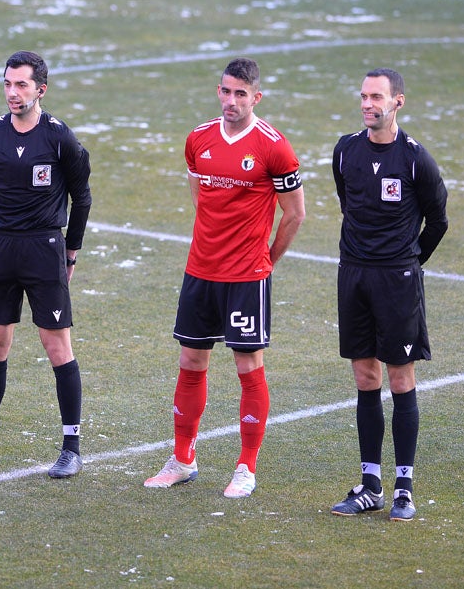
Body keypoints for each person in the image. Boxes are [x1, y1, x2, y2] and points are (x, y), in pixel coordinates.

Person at [144, 57, 305, 497]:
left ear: (256, 97)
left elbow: (295, 214)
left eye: (240, 94)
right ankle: (182, 459)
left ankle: (245, 467)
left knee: (247, 366)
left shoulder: (275, 147)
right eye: (225, 91)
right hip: (200, 270)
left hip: (247, 276)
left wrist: (266, 259)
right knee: (191, 361)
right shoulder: (198, 138)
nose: (231, 100)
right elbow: (201, 195)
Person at [0, 50, 92, 479]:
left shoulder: (61, 138)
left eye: (22, 84)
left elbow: (81, 197)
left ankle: (71, 447)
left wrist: (72, 251)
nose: (13, 92)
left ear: (40, 89)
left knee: (56, 346)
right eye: (8, 83)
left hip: (43, 248)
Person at [329, 68, 448, 522]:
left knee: (400, 379)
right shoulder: (345, 152)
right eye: (363, 96)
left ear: (398, 101)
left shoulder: (417, 160)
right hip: (353, 276)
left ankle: (404, 488)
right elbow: (349, 202)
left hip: (397, 281)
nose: (366, 104)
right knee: (364, 377)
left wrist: (410, 262)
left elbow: (437, 221)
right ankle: (370, 484)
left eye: (376, 97)